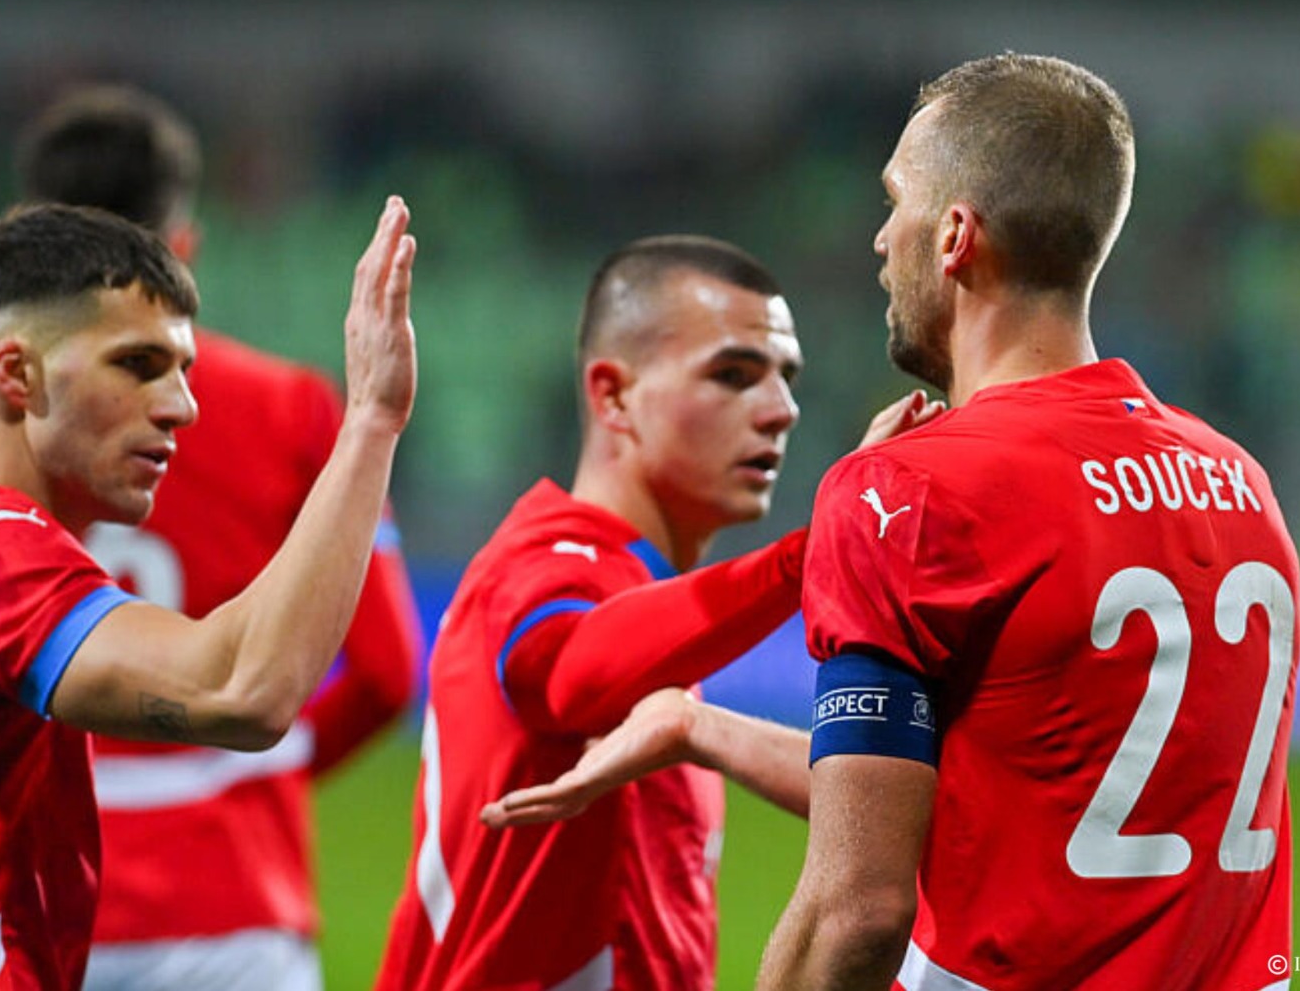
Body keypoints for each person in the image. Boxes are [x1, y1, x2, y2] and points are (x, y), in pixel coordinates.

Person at [488, 54, 1300, 991]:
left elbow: (858, 912)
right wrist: (701, 728)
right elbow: (1010, 787)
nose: (880, 240)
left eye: (894, 202)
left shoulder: (910, 493)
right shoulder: (1237, 481)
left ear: (954, 237)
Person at [0, 85, 423, 990]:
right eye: (140, 366)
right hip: (227, 904)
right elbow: (260, 691)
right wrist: (373, 423)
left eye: (182, 369)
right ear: (15, 372)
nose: (184, 409)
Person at [375, 234, 929, 991]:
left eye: (786, 379)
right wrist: (821, 547)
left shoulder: (651, 608)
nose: (781, 411)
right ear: (613, 395)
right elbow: (571, 675)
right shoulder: (540, 564)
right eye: (734, 375)